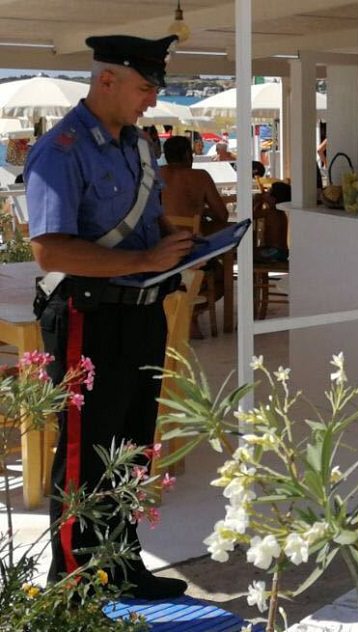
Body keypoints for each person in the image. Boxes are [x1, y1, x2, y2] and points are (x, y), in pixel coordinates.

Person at [24, 34, 194, 600]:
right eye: (146, 87)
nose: (152, 100)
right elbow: (51, 252)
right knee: (85, 450)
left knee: (131, 447)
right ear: (107, 80)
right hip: (86, 317)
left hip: (140, 314)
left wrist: (173, 237)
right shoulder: (62, 150)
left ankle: (120, 565)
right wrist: (145, 258)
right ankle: (74, 581)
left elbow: (142, 217)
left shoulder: (136, 145)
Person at [160, 135, 230, 338]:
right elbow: (223, 214)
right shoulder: (200, 176)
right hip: (192, 247)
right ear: (187, 155)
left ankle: (174, 314)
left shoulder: (156, 174)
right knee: (221, 276)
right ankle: (191, 314)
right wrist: (202, 213)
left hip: (160, 246)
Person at [253, 181, 290, 263]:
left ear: (273, 200)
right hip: (282, 251)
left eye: (268, 192)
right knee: (252, 252)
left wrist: (257, 200)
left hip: (274, 251)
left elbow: (251, 215)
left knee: (247, 253)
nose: (264, 193)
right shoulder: (280, 212)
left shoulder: (271, 212)